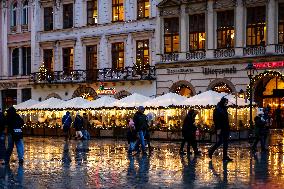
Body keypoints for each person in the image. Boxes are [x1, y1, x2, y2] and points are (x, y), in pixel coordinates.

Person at [208, 97, 232, 161]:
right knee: (220, 141)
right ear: (222, 102)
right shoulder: (217, 109)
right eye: (225, 102)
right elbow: (216, 120)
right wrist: (218, 128)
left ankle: (225, 156)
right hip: (221, 128)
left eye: (227, 102)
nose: (226, 103)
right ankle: (211, 151)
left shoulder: (223, 109)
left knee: (225, 142)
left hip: (226, 127)